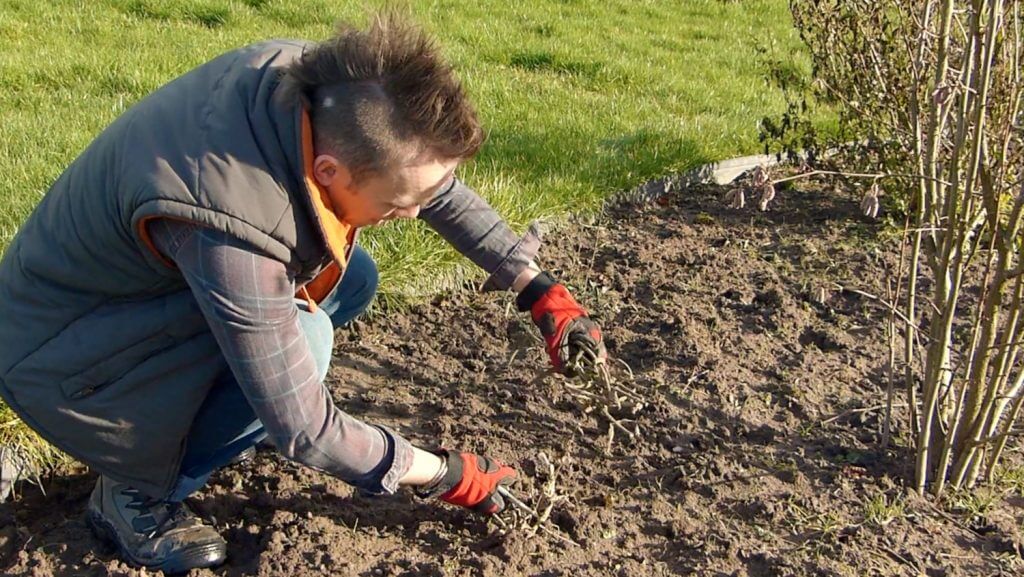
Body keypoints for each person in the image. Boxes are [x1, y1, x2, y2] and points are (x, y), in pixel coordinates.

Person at [0, 13, 606, 574]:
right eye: (400, 205)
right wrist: (448, 474)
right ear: (329, 174)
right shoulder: (227, 226)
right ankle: (136, 490)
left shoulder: (319, 93)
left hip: (119, 305)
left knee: (355, 277)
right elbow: (307, 431)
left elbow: (432, 185)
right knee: (307, 344)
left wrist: (538, 290)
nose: (417, 212)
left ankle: (217, 415)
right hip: (62, 366)